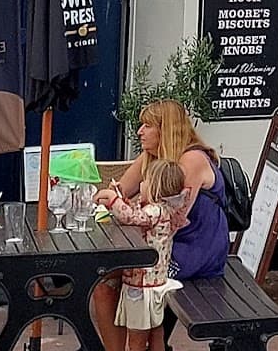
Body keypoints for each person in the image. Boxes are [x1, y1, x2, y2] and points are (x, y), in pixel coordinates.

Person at [92, 100, 229, 351]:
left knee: (120, 278)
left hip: (194, 250)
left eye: (147, 125)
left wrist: (123, 208)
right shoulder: (152, 156)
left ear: (165, 130)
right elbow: (119, 190)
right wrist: (114, 200)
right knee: (104, 280)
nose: (139, 131)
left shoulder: (192, 160)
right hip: (164, 244)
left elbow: (171, 221)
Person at [106, 158, 188, 351]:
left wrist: (112, 199)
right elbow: (138, 216)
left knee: (137, 337)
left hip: (141, 287)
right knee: (156, 331)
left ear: (155, 187)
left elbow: (130, 217)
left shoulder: (154, 210)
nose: (141, 184)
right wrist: (123, 200)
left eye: (146, 181)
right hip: (157, 284)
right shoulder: (166, 209)